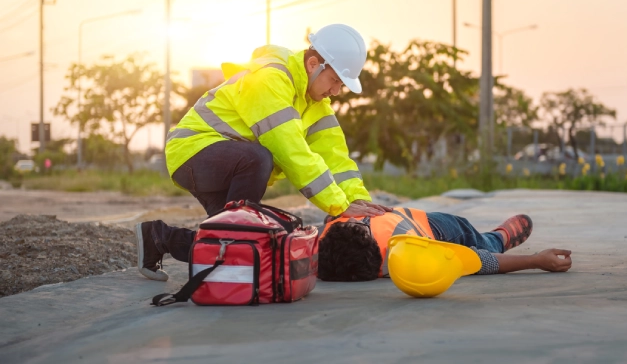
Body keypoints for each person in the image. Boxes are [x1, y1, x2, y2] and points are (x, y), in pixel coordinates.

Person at [137, 24, 393, 281]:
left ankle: (159, 238)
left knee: (248, 244)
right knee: (259, 158)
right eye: (335, 80)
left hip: (226, 164)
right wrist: (338, 205)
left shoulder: (317, 106)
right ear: (314, 64)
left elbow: (337, 160)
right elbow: (289, 150)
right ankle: (224, 247)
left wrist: (360, 206)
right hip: (193, 153)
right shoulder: (270, 78)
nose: (336, 91)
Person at [318, 208, 572, 281]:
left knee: (471, 234)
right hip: (420, 226)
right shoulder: (405, 255)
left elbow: (478, 261)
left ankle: (495, 237)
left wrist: (536, 260)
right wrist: (536, 260)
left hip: (429, 223)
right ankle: (497, 238)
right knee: (477, 244)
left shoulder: (411, 250)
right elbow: (476, 261)